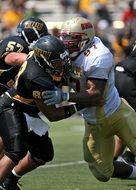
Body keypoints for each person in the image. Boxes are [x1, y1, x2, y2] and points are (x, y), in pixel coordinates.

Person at [43, 16, 136, 181]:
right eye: (64, 37)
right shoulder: (62, 51)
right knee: (102, 172)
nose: (66, 42)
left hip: (116, 113)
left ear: (86, 38)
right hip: (93, 121)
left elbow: (95, 96)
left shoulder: (98, 55)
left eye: (72, 38)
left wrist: (64, 95)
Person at [0, 34, 81, 189]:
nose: (63, 63)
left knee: (43, 153)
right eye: (58, 61)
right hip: (12, 107)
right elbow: (52, 115)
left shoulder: (42, 61)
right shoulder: (36, 77)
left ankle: (9, 181)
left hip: (28, 110)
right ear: (44, 61)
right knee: (15, 150)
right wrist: (80, 105)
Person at [0, 17, 55, 190]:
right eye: (37, 37)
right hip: (6, 102)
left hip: (22, 107)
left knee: (43, 152)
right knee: (11, 146)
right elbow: (12, 58)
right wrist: (40, 59)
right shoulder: (15, 42)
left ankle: (10, 180)